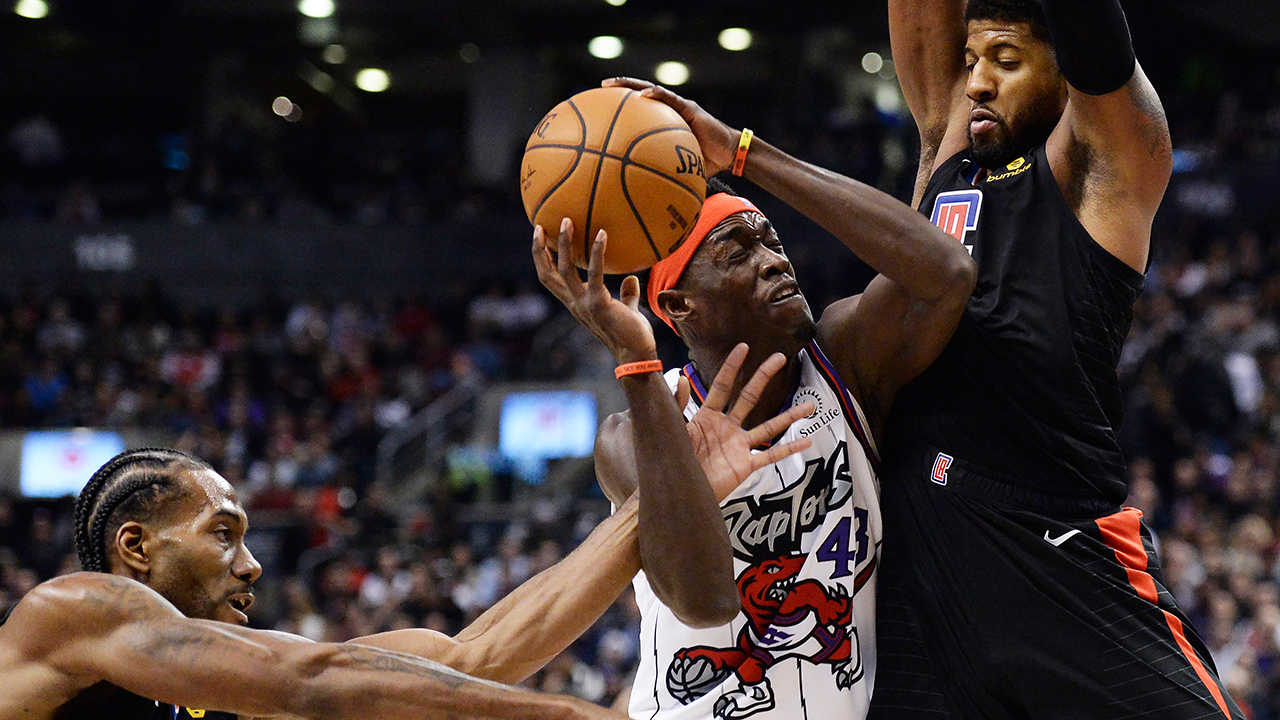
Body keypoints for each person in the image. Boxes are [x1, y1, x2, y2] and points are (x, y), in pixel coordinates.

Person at [535, 77, 976, 720]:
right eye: (737, 252)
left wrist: (745, 154)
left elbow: (948, 273)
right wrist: (634, 355)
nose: (775, 261)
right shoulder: (634, 435)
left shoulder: (843, 366)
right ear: (679, 305)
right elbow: (702, 598)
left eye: (771, 240)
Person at [865, 0, 1245, 718]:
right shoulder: (947, 148)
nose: (976, 81)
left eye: (1005, 61)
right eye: (973, 60)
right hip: (922, 552)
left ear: (1061, 75)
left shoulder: (1104, 159)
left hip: (1056, 546)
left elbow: (1099, 48)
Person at [1, 382, 804, 720]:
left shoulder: (212, 696)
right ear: (133, 546)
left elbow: (474, 659)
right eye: (223, 532)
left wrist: (666, 498)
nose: (251, 565)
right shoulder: (67, 614)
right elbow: (312, 679)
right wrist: (571, 714)